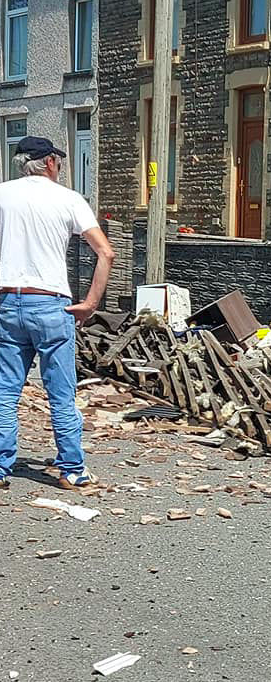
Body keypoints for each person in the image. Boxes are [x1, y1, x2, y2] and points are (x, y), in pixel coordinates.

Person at [0, 136, 114, 491]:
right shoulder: (68, 199)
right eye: (59, 162)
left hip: (7, 302)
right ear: (49, 162)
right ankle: (72, 469)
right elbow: (105, 253)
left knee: (4, 393)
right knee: (61, 394)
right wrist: (91, 303)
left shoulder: (3, 194)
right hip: (51, 303)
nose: (60, 167)